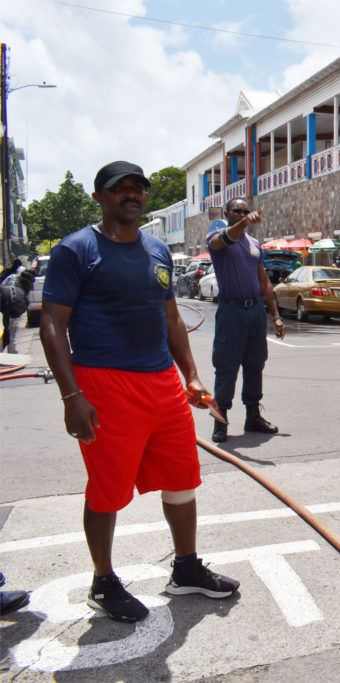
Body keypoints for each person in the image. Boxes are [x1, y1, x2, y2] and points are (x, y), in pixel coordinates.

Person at [39, 161, 239, 623]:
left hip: (162, 382)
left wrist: (190, 375)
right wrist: (72, 397)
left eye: (138, 188)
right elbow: (52, 323)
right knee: (108, 488)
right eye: (120, 188)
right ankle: (103, 581)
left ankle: (186, 567)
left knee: (182, 477)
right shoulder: (77, 250)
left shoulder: (156, 250)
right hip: (104, 383)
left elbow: (170, 318)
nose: (131, 194)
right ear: (100, 198)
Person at [206, 198, 286, 443]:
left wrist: (276, 315)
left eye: (246, 211)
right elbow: (226, 239)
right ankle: (220, 421)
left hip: (255, 313)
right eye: (237, 211)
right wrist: (242, 223)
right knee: (226, 367)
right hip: (231, 312)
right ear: (227, 213)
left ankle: (253, 416)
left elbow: (264, 282)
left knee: (255, 364)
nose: (242, 214)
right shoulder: (217, 237)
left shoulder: (254, 244)